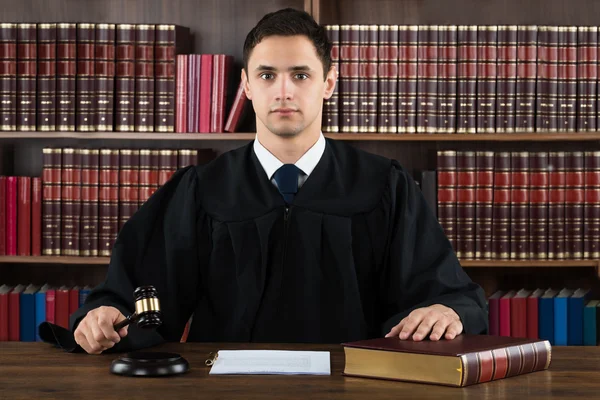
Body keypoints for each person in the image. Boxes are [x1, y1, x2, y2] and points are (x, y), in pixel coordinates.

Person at [72, 8, 488, 355]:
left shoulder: (382, 186)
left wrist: (447, 311)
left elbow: (446, 292)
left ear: (328, 83)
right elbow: (138, 294)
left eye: (301, 75)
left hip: (358, 386)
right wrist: (107, 314)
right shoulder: (202, 189)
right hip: (225, 391)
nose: (283, 91)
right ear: (247, 86)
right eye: (268, 75)